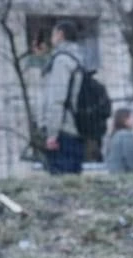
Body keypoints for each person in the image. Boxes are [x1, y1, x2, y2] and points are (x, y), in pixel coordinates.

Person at [41, 21, 85, 174]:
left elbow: (56, 99)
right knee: (74, 181)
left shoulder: (61, 61)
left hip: (63, 130)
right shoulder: (79, 59)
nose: (51, 39)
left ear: (60, 34)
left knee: (61, 179)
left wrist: (52, 134)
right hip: (77, 128)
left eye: (53, 34)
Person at [105, 108, 133, 174]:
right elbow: (131, 159)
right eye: (132, 118)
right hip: (126, 175)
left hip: (114, 174)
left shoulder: (113, 136)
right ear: (125, 120)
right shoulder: (126, 136)